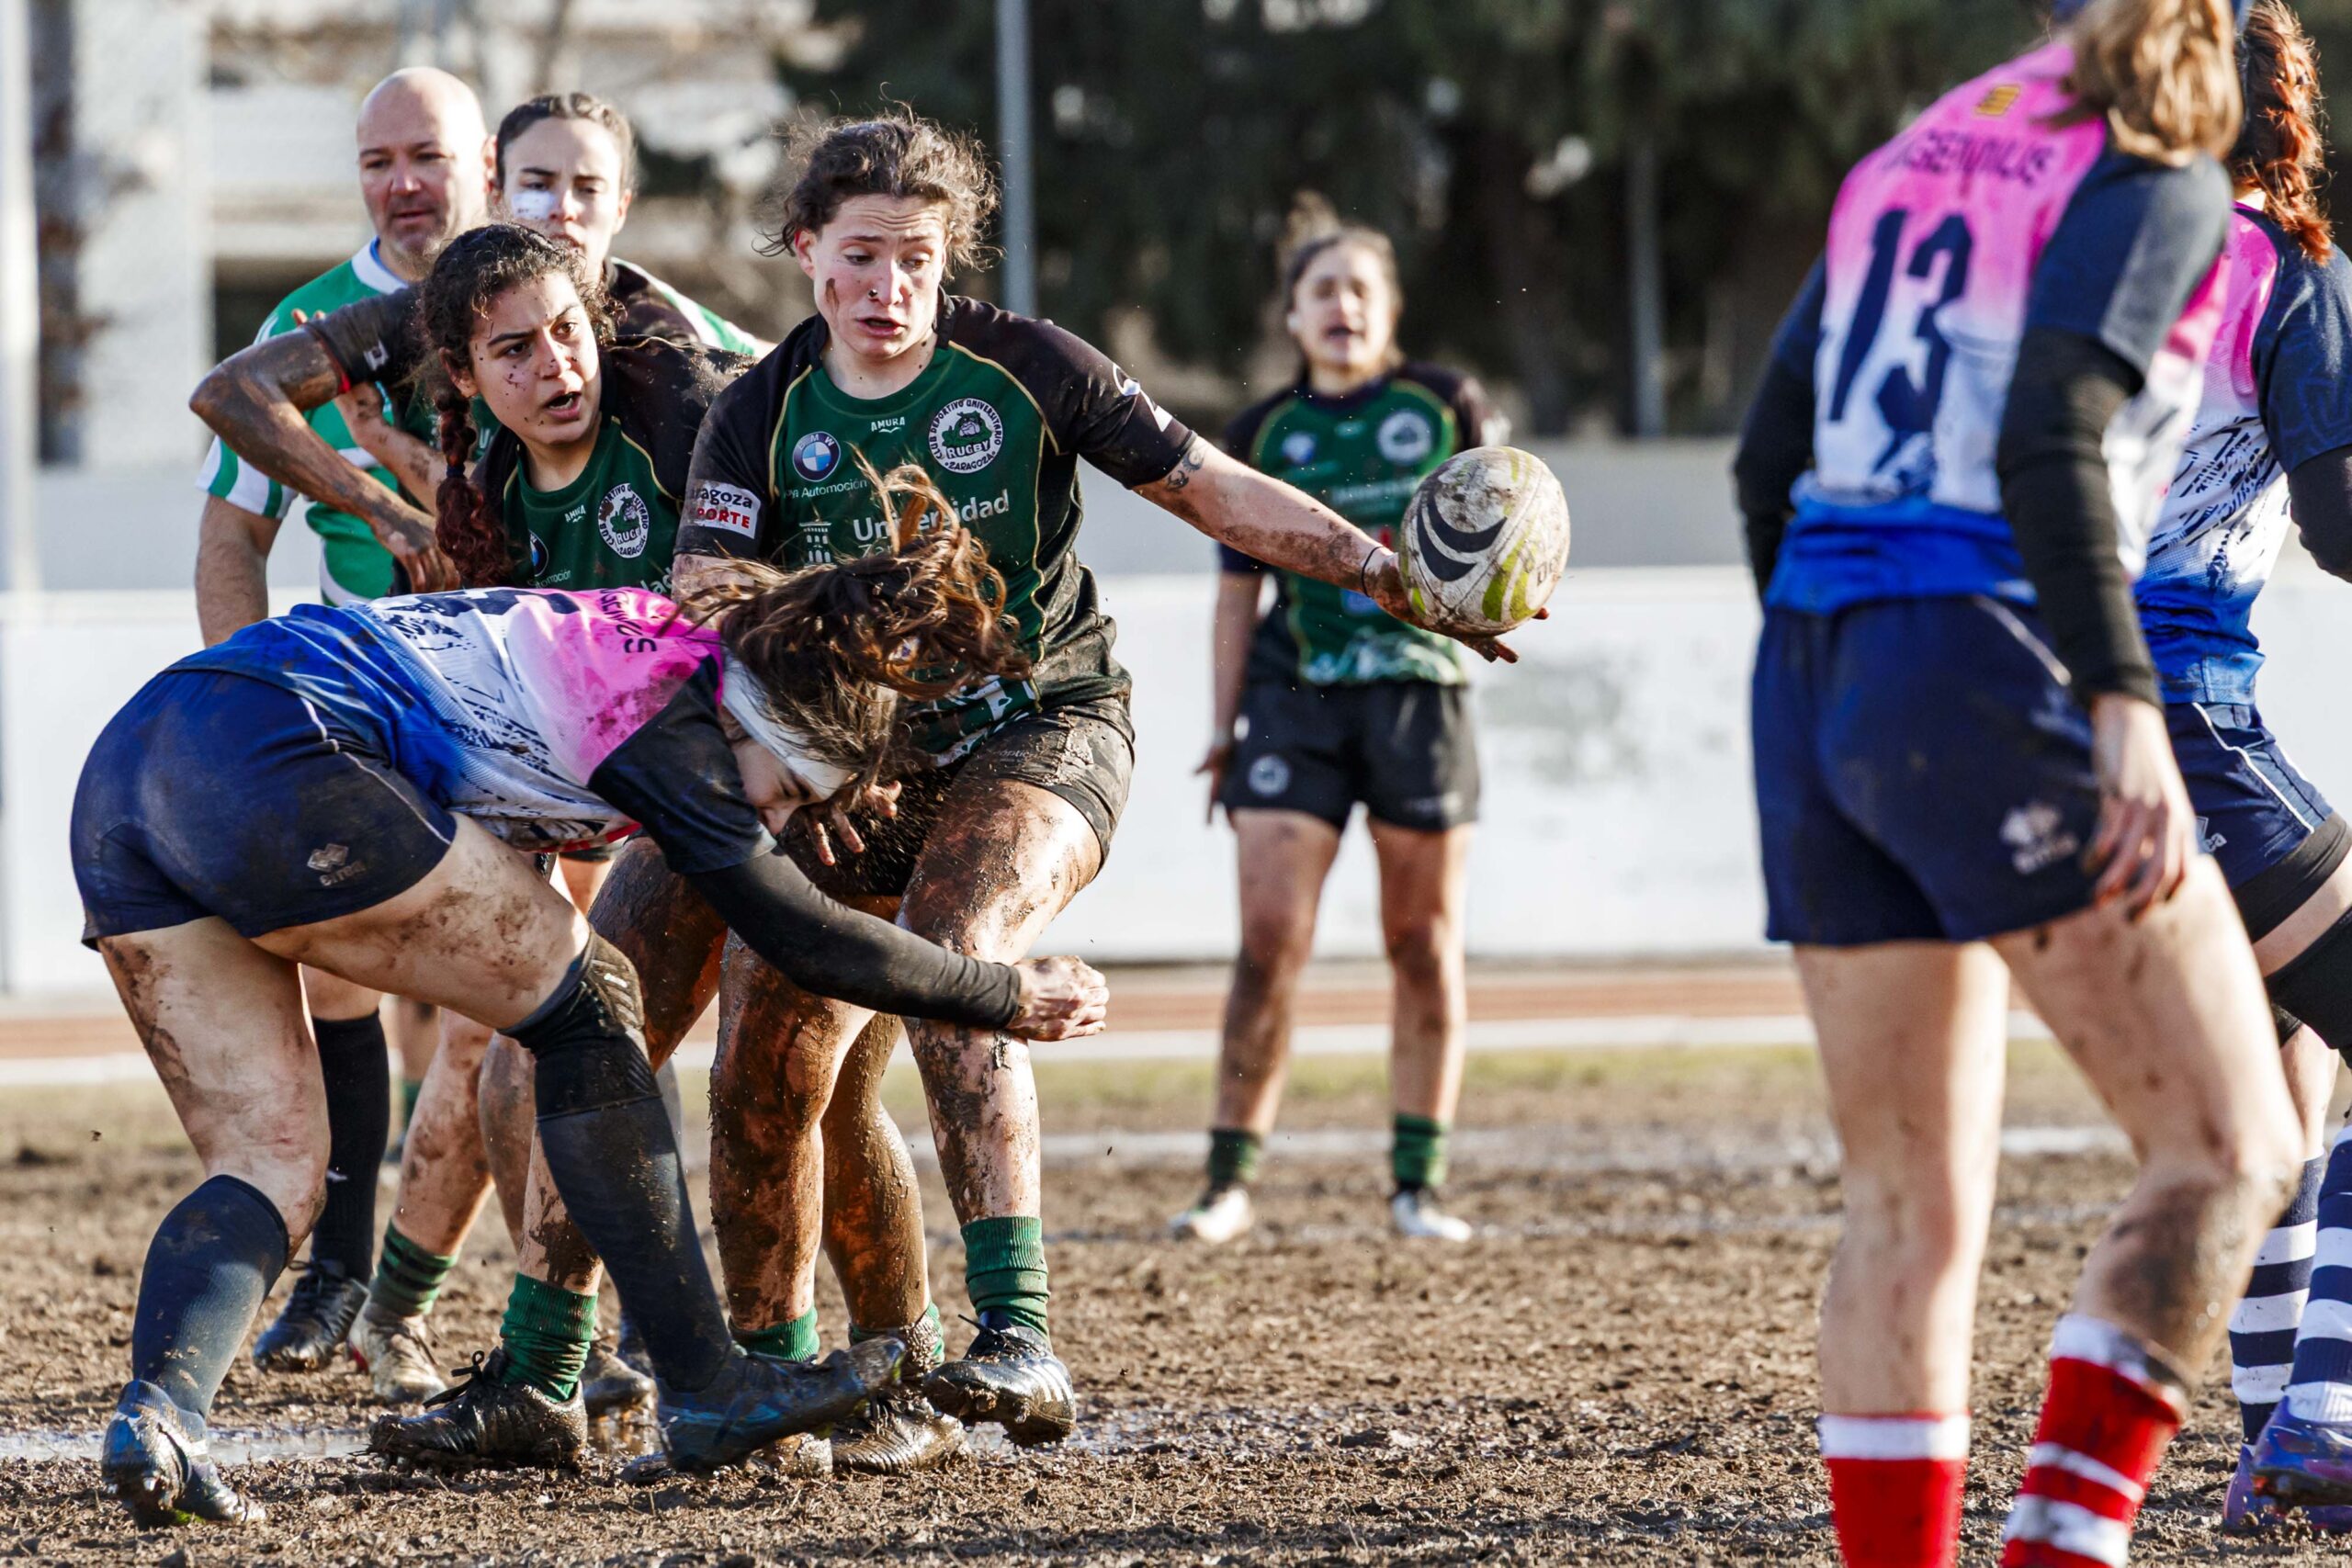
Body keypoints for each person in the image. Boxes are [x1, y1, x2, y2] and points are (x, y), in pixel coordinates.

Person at [398, 106, 1520, 1468]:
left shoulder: (1026, 365)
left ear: (950, 259)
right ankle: (677, 1378)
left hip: (1039, 730)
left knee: (956, 943)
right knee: (667, 1019)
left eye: (917, 259)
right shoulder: (756, 412)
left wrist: (1389, 573)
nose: (890, 289)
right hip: (842, 762)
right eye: (862, 257)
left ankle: (1018, 1330)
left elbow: (1214, 490)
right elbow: (703, 597)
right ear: (806, 252)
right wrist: (782, 762)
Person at [77, 493, 1110, 1525]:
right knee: (591, 1004)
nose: (776, 817)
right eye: (790, 788)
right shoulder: (678, 710)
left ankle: (161, 1415)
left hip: (136, 767)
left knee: (270, 1164)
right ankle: (707, 1386)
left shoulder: (662, 659)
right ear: (763, 718)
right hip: (278, 750)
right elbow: (803, 935)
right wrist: (1008, 993)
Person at [1730, 3, 2301, 1565]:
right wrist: (2119, 705)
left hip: (1816, 664)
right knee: (2236, 1141)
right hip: (1990, 647)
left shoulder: (1916, 149)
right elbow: (2053, 429)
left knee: (1910, 1206)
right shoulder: (2152, 165)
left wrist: (1845, 687)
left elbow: (1765, 453)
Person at [192, 221, 752, 1415]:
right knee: (513, 1049)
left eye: (566, 332)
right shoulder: (479, 489)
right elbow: (236, 422)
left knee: (745, 1055)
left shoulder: (683, 392)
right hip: (560, 780)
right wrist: (397, 513)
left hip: (714, 781)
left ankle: (747, 1346)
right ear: (463, 367)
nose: (555, 363)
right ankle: (542, 1343)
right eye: (515, 348)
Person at [187, 65, 486, 1388]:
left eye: (427, 154)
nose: (403, 182)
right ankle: (348, 1266)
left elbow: (742, 375)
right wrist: (236, 707)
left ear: (483, 161)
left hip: (536, 681)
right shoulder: (306, 324)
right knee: (338, 969)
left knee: (546, 981)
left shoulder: (558, 289)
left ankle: (588, 1295)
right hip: (372, 681)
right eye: (378, 162)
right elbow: (231, 537)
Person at [1170, 206, 1506, 1247]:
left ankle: (1418, 1185)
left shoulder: (1445, 403)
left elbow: (1509, 538)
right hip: (1293, 697)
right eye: (1323, 290)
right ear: (1292, 316)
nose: (1342, 306)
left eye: (1361, 289)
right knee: (1270, 941)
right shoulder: (1262, 433)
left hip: (1421, 695)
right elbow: (1236, 598)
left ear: (1390, 312)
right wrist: (1222, 730)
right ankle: (1227, 1183)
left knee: (1421, 941)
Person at [2132, 1, 2352, 1526]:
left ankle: (2271, 1445)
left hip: (2049, 713)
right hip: (2195, 718)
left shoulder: (2101, 247)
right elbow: (2340, 523)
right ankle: (2326, 1413)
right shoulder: (2293, 274)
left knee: (2283, 1082)